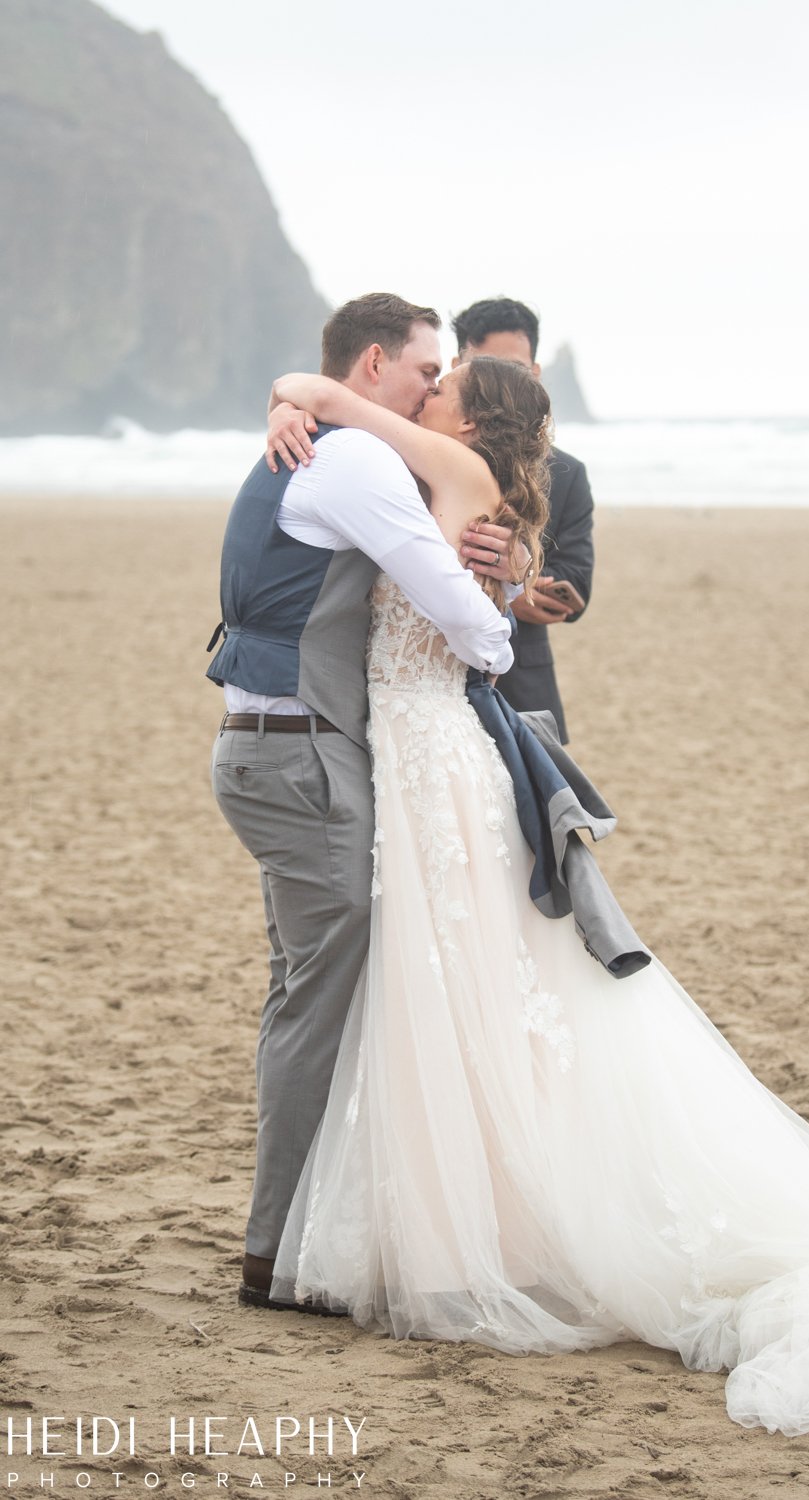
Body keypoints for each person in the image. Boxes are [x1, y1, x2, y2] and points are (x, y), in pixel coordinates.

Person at [260, 362, 809, 1437]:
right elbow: (334, 415)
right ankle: (469, 1224)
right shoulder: (443, 486)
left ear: (471, 420)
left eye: (447, 380)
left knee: (461, 982)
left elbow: (343, 405)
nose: (429, 390)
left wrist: (302, 398)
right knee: (446, 987)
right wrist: (294, 401)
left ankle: (486, 1235)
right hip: (415, 763)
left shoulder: (453, 466)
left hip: (438, 767)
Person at [207, 293, 529, 1310]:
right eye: (426, 371)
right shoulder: (350, 461)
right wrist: (498, 618)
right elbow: (443, 592)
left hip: (305, 749)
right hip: (299, 757)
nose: (434, 386)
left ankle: (294, 1232)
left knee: (313, 985)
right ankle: (275, 1249)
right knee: (320, 994)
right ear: (380, 363)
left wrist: (293, 394)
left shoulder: (347, 447)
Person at [452, 297, 595, 743]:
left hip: (524, 687)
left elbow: (575, 589)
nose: (500, 383)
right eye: (485, 367)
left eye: (513, 369)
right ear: (458, 368)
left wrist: (510, 582)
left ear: (534, 374)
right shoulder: (417, 457)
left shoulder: (567, 475)